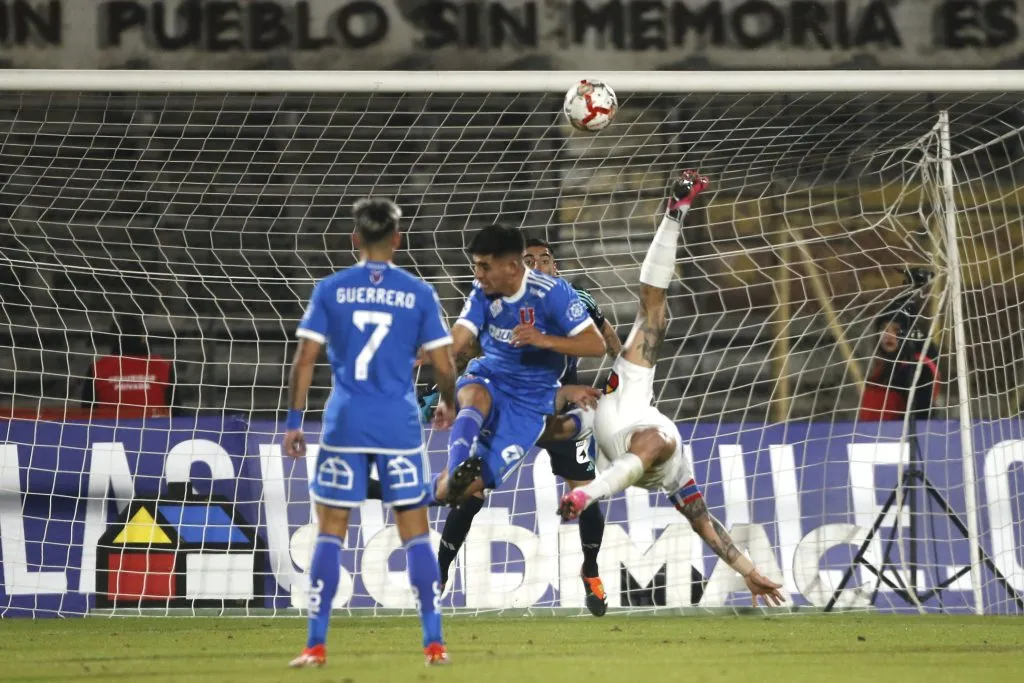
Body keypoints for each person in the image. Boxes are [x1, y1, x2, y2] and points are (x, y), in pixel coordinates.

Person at [553, 170, 785, 607]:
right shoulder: (679, 472)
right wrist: (750, 571)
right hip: (631, 397)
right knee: (655, 312)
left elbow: (704, 526)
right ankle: (676, 212)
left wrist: (750, 575)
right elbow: (708, 525)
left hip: (608, 435)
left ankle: (585, 494)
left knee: (639, 439)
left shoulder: (659, 454)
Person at [282, 198, 457, 668]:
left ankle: (315, 646)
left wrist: (295, 423)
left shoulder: (331, 289)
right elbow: (443, 364)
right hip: (398, 427)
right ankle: (434, 644)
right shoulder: (419, 293)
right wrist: (449, 402)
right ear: (397, 239)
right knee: (416, 535)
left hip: (345, 424)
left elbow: (304, 360)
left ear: (354, 239)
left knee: (330, 534)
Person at [437, 237, 619, 617]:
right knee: (471, 489)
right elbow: (470, 345)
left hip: (560, 412)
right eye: (529, 259)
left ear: (556, 268)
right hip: (514, 404)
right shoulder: (499, 297)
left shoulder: (572, 300)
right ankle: (440, 569)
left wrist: (627, 383)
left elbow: (608, 341)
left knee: (585, 494)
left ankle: (591, 570)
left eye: (544, 259)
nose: (537, 264)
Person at [432, 223, 607, 506]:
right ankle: (457, 468)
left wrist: (543, 339)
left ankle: (436, 488)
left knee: (448, 493)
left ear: (512, 267)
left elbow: (596, 345)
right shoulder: (482, 290)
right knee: (476, 394)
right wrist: (434, 356)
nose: (478, 274)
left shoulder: (554, 293)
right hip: (490, 377)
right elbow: (457, 341)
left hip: (530, 402)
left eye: (485, 266)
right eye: (476, 265)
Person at [859, 283, 939, 422]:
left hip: (896, 438)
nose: (888, 335)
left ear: (908, 334)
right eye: (884, 329)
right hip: (870, 437)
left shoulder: (917, 366)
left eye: (896, 330)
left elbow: (921, 412)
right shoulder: (883, 368)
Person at [81, 314, 175, 415]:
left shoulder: (98, 368)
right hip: (155, 428)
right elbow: (176, 413)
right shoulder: (162, 366)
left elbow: (87, 413)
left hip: (110, 428)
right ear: (143, 337)